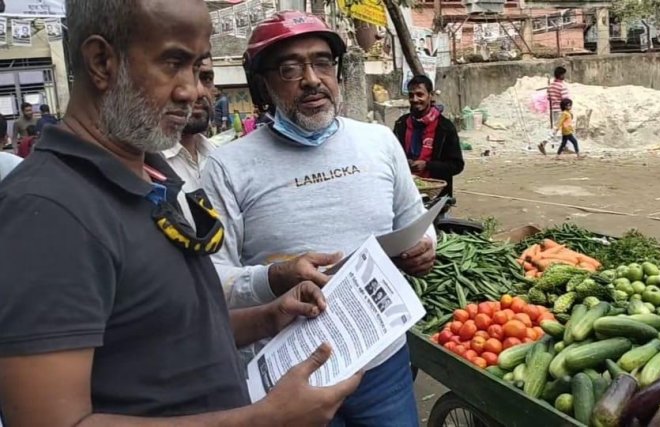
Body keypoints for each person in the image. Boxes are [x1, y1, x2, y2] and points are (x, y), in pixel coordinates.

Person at [0, 1, 361, 425]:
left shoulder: (149, 171)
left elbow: (162, 331)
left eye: (198, 67)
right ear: (101, 62)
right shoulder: (48, 209)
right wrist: (263, 421)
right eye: (173, 63)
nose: (193, 91)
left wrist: (268, 317)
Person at [201, 11, 435, 427]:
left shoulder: (379, 142)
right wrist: (275, 277)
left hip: (381, 363)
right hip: (290, 378)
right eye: (290, 68)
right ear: (264, 82)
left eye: (322, 62)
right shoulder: (226, 167)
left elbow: (416, 221)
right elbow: (207, 282)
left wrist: (423, 247)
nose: (311, 78)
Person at [162, 57, 217, 228]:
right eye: (183, 78)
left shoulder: (221, 157)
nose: (199, 92)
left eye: (206, 78)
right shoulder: (145, 168)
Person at [394, 74, 464, 197]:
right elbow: (392, 157)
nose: (415, 99)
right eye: (411, 95)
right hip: (406, 195)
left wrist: (427, 165)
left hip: (436, 197)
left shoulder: (445, 127)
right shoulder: (401, 124)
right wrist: (405, 162)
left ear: (430, 96)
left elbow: (457, 165)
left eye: (420, 94)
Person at [539, 66, 571, 154]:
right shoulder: (562, 86)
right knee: (560, 128)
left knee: (564, 128)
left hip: (554, 109)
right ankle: (544, 142)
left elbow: (549, 98)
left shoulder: (551, 86)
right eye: (563, 74)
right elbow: (565, 100)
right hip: (562, 110)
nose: (564, 76)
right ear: (561, 75)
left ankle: (565, 147)